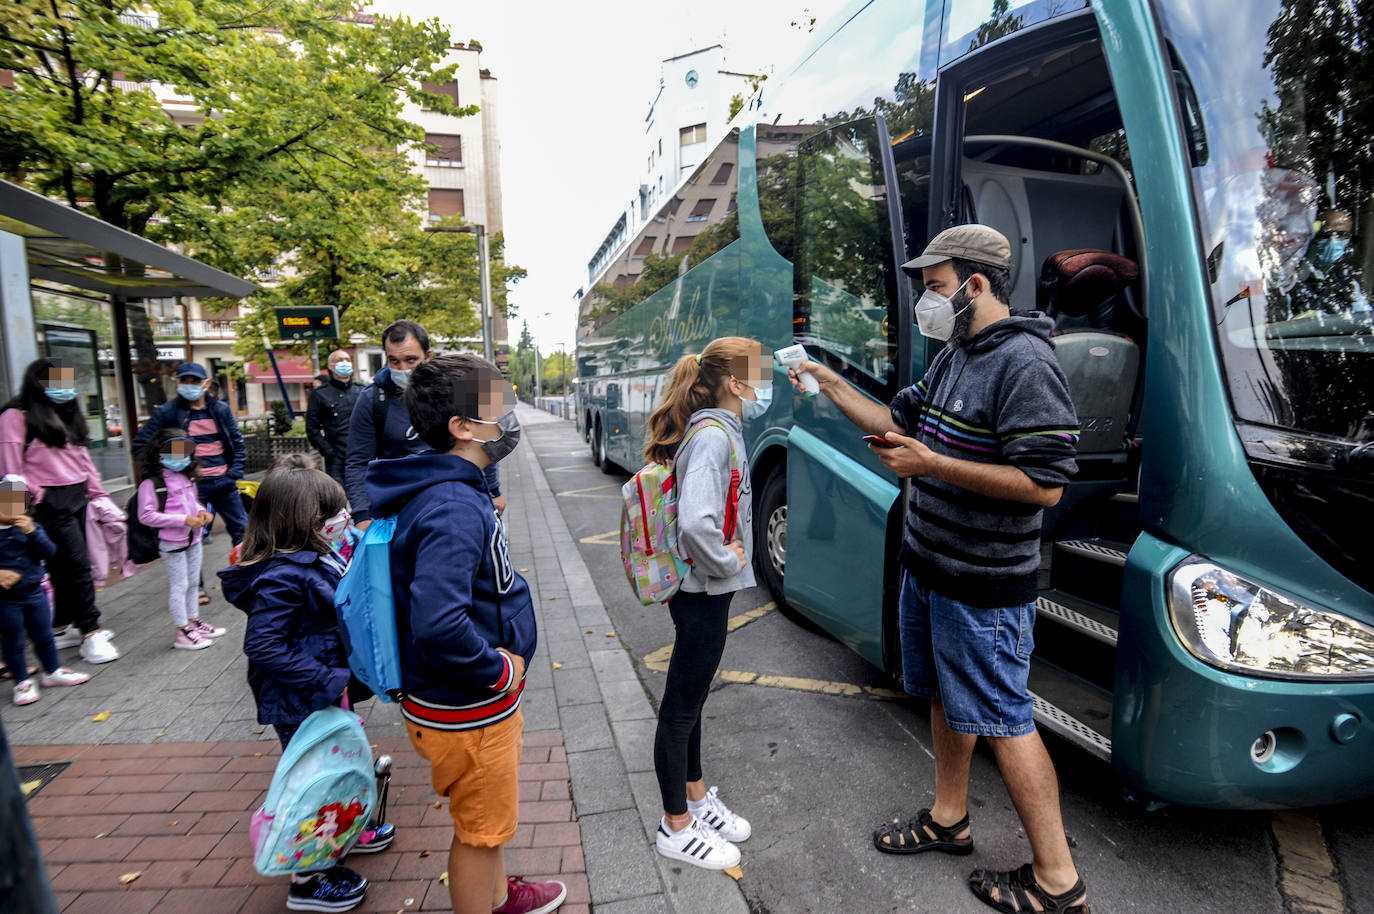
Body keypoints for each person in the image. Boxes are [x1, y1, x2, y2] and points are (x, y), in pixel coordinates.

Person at [790, 225, 1088, 914]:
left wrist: (933, 465)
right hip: (929, 567)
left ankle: (1058, 881)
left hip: (983, 586)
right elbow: (896, 423)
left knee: (1007, 719)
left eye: (935, 286)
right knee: (944, 699)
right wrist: (829, 380)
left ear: (975, 285)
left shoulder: (1025, 364)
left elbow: (1045, 484)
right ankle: (950, 819)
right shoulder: (956, 354)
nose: (927, 300)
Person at [366, 354, 564, 914]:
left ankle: (499, 895)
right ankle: (486, 897)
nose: (510, 413)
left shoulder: (453, 489)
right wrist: (499, 672)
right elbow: (439, 624)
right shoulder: (453, 505)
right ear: (462, 427)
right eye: (497, 404)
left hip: (467, 704)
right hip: (470, 706)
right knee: (478, 833)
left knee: (488, 824)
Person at [218, 467, 395, 913]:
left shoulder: (314, 556)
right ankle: (307, 879)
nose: (344, 516)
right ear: (303, 520)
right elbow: (263, 645)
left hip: (321, 690)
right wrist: (326, 680)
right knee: (314, 784)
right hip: (302, 699)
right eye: (332, 511)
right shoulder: (283, 574)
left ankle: (343, 830)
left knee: (339, 765)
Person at [643, 337, 763, 871]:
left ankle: (695, 799)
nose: (763, 385)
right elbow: (696, 523)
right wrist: (727, 560)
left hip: (703, 591)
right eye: (756, 375)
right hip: (701, 591)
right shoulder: (714, 438)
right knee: (681, 706)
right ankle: (676, 826)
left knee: (692, 701)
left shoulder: (716, 431)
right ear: (734, 383)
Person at [0, 358, 119, 664]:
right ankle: (90, 632)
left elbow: (82, 457)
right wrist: (23, 508)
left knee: (66, 566)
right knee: (77, 564)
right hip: (46, 502)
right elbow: (10, 467)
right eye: (55, 380)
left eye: (67, 381)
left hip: (77, 495)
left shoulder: (65, 412)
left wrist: (98, 494)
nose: (64, 388)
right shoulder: (17, 415)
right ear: (38, 382)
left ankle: (65, 626)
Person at [345, 320, 503, 529]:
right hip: (401, 509)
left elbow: (480, 436)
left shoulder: (450, 389)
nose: (403, 369)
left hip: (458, 499)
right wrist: (362, 515)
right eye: (394, 361)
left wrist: (493, 491)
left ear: (428, 356)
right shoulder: (373, 400)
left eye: (411, 360)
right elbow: (358, 460)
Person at [131, 362, 248, 548]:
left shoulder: (220, 410)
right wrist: (171, 471)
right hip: (191, 483)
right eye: (184, 380)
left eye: (195, 380)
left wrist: (234, 474)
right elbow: (140, 446)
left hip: (224, 481)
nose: (189, 384)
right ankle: (194, 579)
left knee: (244, 533)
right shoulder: (168, 413)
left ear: (206, 383)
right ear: (177, 382)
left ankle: (245, 575)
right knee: (192, 540)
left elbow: (238, 443)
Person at [0, 474, 90, 705]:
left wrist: (33, 532)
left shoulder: (32, 527)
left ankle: (52, 671)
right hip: (6, 600)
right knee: (13, 641)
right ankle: (22, 682)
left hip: (35, 592)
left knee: (45, 635)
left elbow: (49, 552)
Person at [136, 429, 225, 651]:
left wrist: (202, 512)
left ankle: (194, 621)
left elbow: (192, 502)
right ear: (159, 454)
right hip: (172, 543)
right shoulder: (151, 483)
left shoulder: (186, 477)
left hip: (193, 539)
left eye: (184, 453)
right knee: (180, 585)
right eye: (174, 453)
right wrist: (183, 520)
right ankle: (182, 630)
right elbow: (146, 515)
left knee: (194, 583)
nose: (180, 459)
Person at [1289, 208, 1371, 317]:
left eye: (1341, 234)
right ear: (1311, 238)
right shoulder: (1290, 279)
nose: (1332, 241)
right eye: (1324, 235)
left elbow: (1365, 318)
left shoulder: (1346, 280)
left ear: (1349, 240)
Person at [306, 350, 363, 487]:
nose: (344, 363)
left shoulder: (362, 391)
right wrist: (328, 452)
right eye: (339, 360)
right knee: (337, 500)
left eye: (347, 360)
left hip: (361, 456)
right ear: (331, 366)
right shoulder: (320, 394)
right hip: (336, 458)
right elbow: (312, 427)